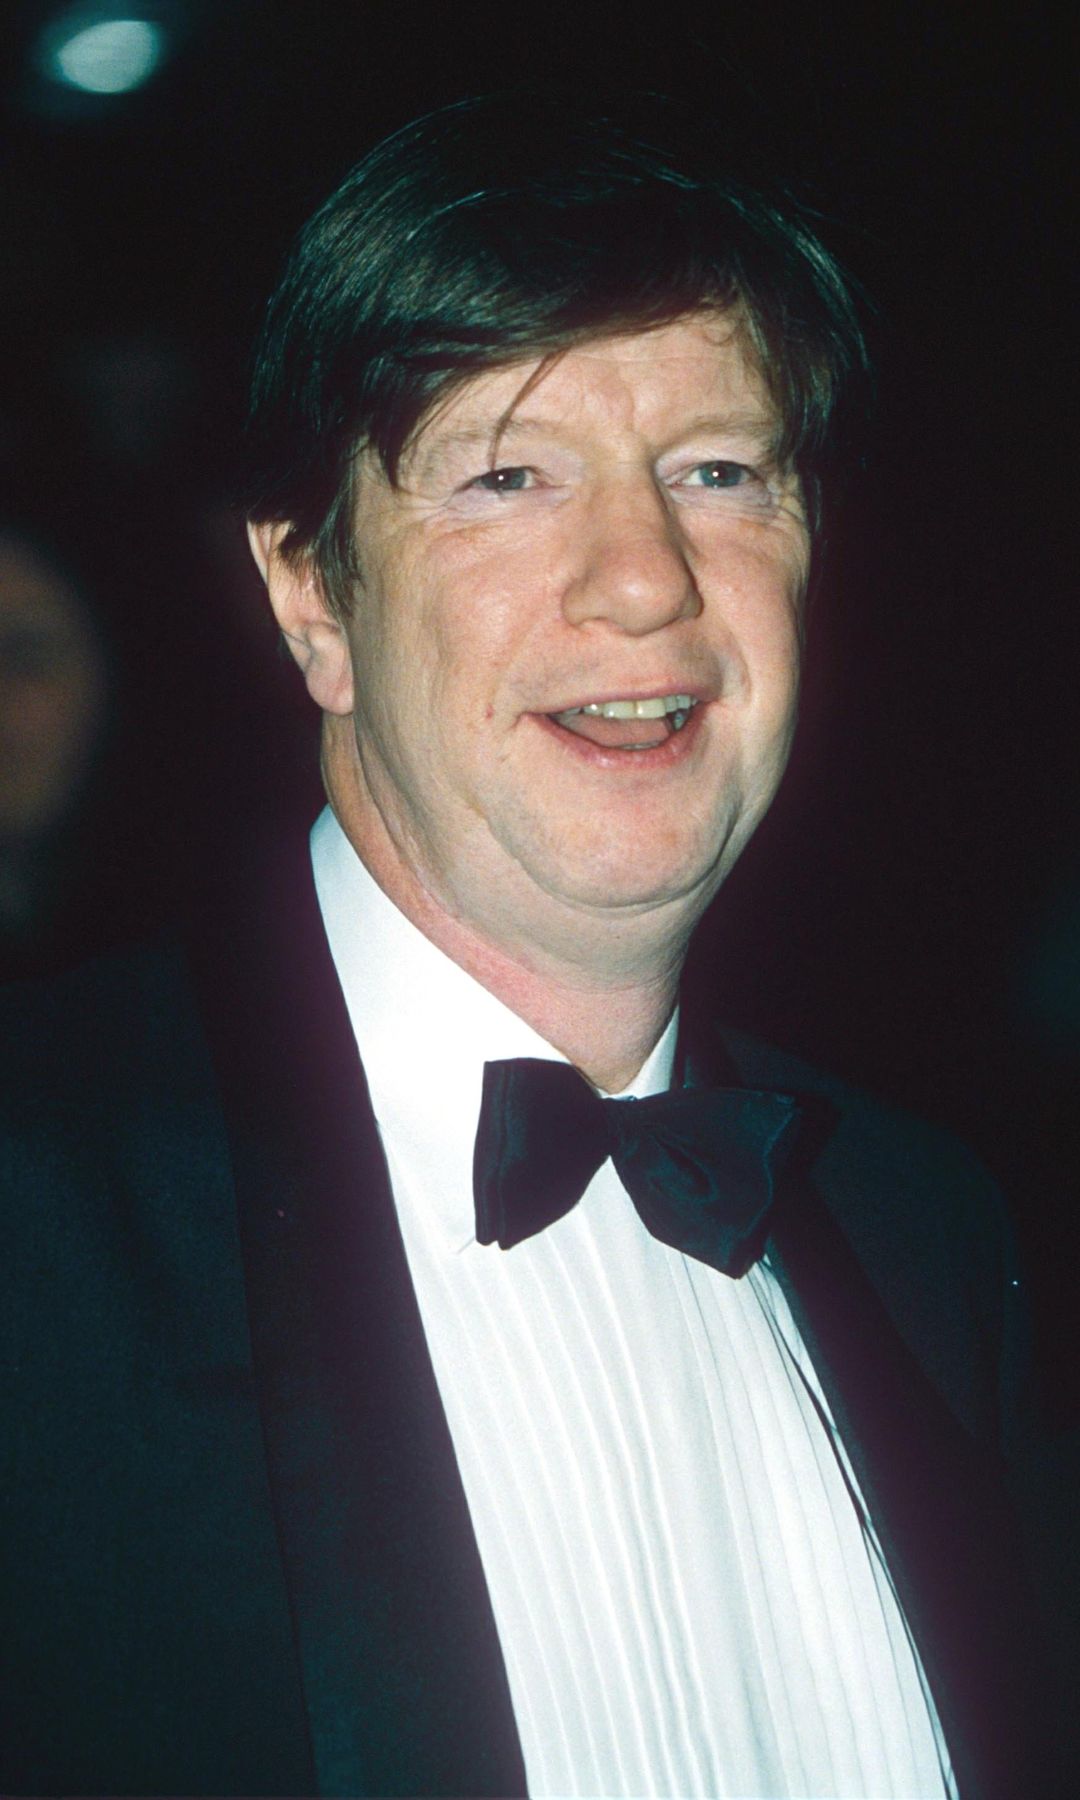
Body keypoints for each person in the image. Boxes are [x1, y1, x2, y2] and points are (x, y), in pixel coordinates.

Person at [1, 91, 1048, 1798]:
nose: (645, 582)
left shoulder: (938, 1236)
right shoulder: (35, 1214)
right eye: (508, 475)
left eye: (718, 472)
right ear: (312, 598)